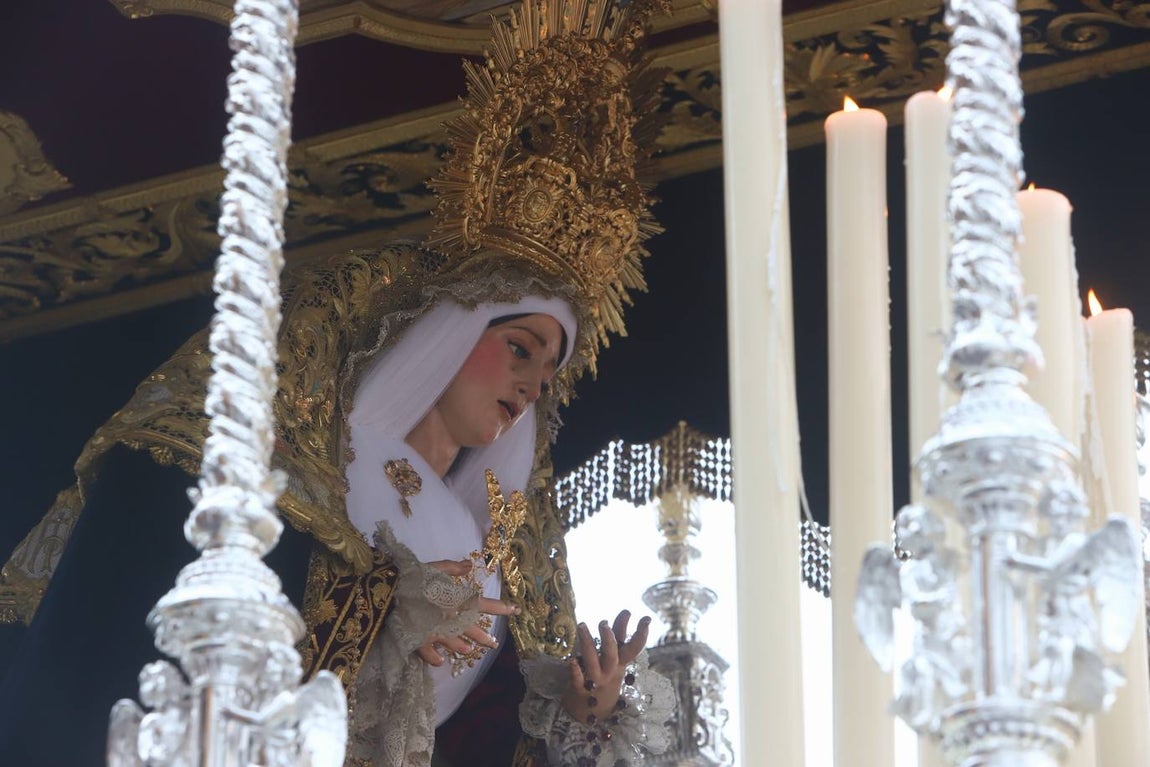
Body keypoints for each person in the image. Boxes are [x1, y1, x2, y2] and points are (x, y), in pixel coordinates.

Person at [0, 0, 675, 764]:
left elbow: (481, 740)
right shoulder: (312, 457)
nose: (530, 385)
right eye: (519, 348)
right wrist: (389, 609)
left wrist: (583, 710)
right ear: (450, 335)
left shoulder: (481, 550)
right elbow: (184, 597)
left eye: (550, 373)